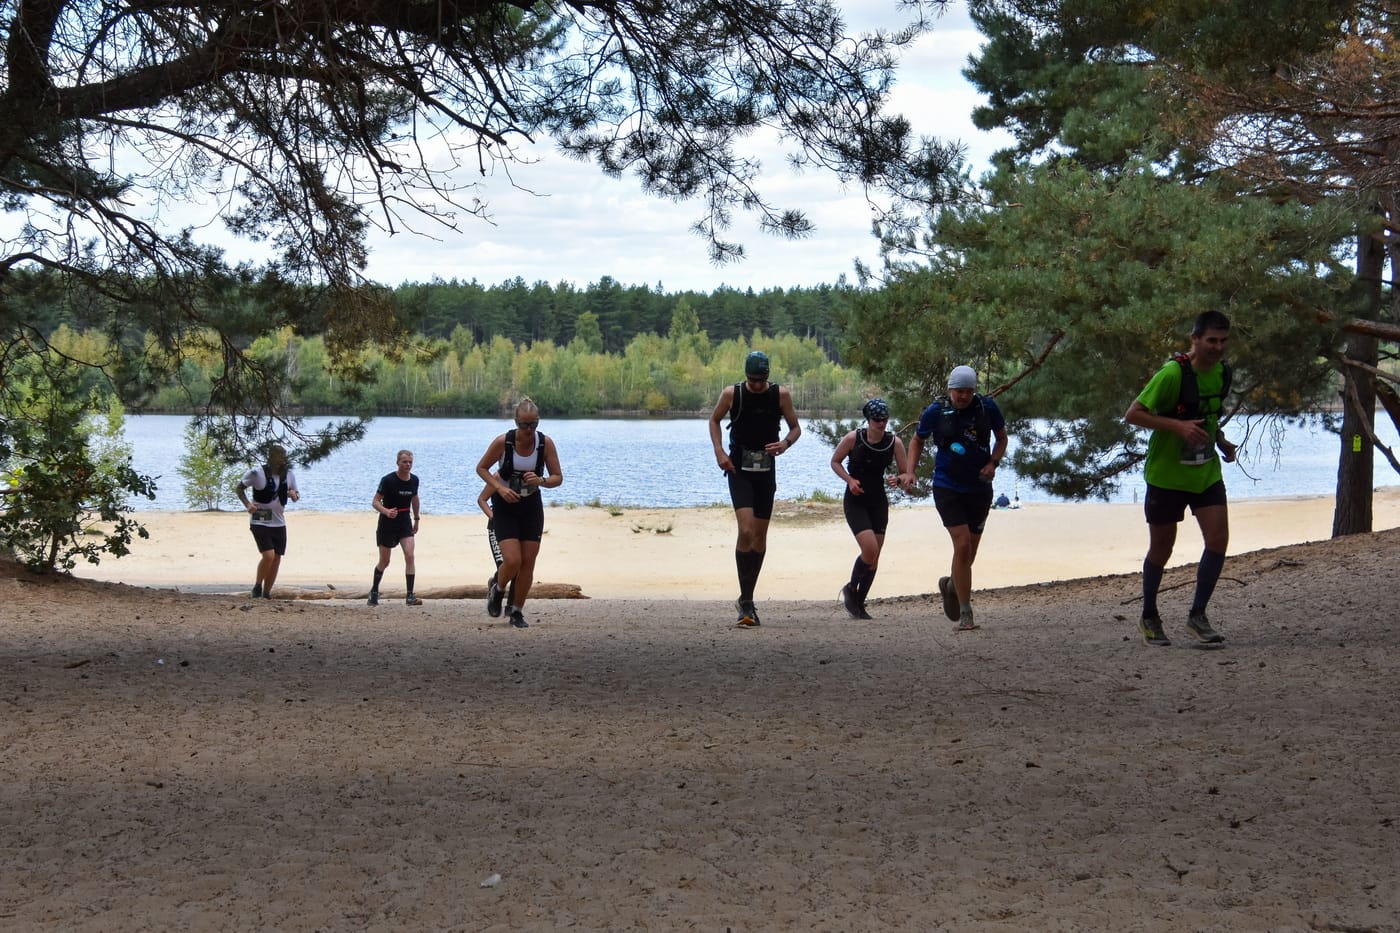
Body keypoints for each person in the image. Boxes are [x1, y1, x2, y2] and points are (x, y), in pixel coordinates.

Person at [1124, 310, 1237, 647]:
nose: (1217, 347)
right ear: (1195, 339)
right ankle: (1149, 616)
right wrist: (1178, 427)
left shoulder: (1223, 374)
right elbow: (1133, 414)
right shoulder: (1172, 374)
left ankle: (1197, 616)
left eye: (1223, 341)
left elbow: (1207, 416)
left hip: (1205, 473)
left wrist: (1220, 440)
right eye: (1211, 340)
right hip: (1166, 476)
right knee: (1162, 548)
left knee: (1218, 540)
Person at [904, 365, 1009, 631]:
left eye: (968, 391)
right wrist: (910, 471)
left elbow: (1001, 438)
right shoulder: (935, 411)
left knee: (969, 552)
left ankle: (952, 584)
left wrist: (993, 463)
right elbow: (917, 440)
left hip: (979, 487)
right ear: (950, 389)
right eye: (959, 391)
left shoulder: (986, 407)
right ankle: (966, 613)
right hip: (947, 486)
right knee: (962, 546)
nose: (963, 396)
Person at [708, 350, 802, 627]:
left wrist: (785, 444)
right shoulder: (732, 394)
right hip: (738, 468)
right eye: (753, 380)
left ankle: (746, 598)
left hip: (766, 470)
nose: (757, 385)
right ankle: (746, 603)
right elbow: (714, 420)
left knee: (759, 538)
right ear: (746, 376)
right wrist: (719, 452)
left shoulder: (780, 395)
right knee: (746, 530)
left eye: (761, 380)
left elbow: (796, 428)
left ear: (767, 376)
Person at [475, 399, 563, 628]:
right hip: (505, 506)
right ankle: (498, 589)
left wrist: (541, 480)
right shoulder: (503, 442)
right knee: (513, 560)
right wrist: (500, 488)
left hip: (531, 506)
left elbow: (557, 478)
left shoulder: (545, 443)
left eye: (533, 424)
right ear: (516, 422)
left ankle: (516, 610)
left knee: (528, 563)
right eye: (524, 425)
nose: (529, 430)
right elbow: (481, 468)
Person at [830, 398, 910, 619]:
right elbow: (835, 461)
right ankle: (850, 589)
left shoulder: (894, 442)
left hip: (878, 501)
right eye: (877, 420)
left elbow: (905, 473)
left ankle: (859, 604)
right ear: (868, 420)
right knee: (869, 549)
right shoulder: (853, 438)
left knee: (875, 556)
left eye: (885, 419)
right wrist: (849, 480)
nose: (881, 423)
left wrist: (898, 479)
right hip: (856, 499)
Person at [234, 443, 300, 599]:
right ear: (270, 459)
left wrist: (293, 495)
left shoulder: (289, 475)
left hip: (279, 522)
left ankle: (267, 593)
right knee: (269, 555)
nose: (281, 463)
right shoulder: (257, 473)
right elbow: (239, 488)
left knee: (276, 558)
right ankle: (257, 586)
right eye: (278, 460)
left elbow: (297, 495)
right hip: (260, 520)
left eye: (283, 459)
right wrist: (248, 504)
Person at [367, 450, 422, 607]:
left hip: (404, 521)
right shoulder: (388, 480)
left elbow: (415, 499)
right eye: (404, 462)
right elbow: (375, 501)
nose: (408, 465)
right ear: (397, 462)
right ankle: (374, 591)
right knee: (385, 561)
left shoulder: (414, 480)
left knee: (410, 555)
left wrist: (416, 519)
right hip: (387, 523)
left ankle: (410, 595)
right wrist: (386, 511)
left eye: (410, 462)